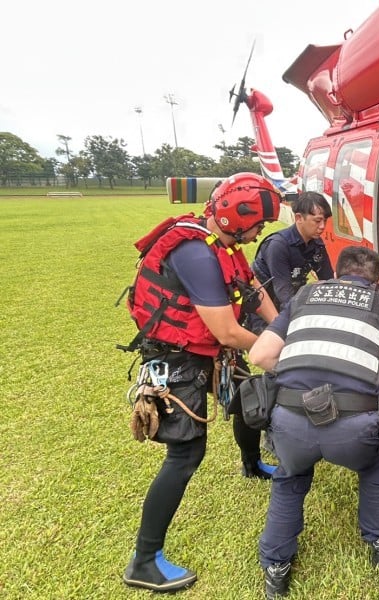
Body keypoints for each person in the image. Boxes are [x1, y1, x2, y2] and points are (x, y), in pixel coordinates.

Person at [121, 173, 282, 592]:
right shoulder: (196, 254)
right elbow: (229, 332)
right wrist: (276, 347)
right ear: (233, 219)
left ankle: (251, 465)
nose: (258, 233)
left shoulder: (222, 246)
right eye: (257, 225)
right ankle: (143, 561)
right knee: (185, 455)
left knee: (251, 400)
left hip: (210, 351)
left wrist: (284, 325)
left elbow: (253, 291)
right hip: (179, 359)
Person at [248, 246, 379, 599]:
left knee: (290, 478)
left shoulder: (305, 295)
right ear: (375, 278)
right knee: (375, 467)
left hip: (290, 421)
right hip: (355, 428)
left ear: (337, 274)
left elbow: (259, 355)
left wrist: (295, 370)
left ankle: (276, 568)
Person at [248, 191, 333, 333]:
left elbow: (328, 279)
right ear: (299, 218)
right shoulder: (278, 245)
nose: (323, 226)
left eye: (325, 220)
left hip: (291, 303)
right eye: (317, 221)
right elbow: (283, 293)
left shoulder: (317, 244)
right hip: (263, 310)